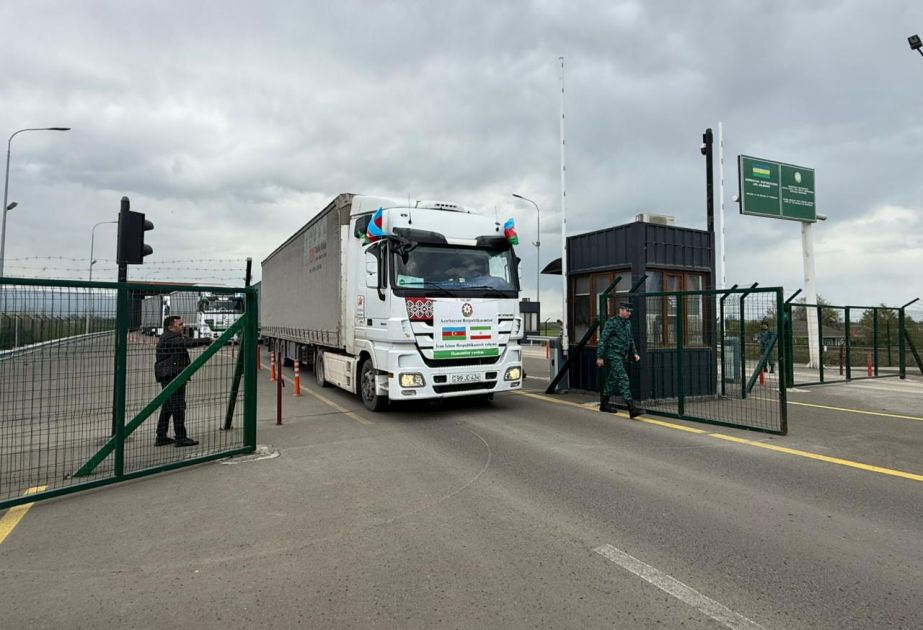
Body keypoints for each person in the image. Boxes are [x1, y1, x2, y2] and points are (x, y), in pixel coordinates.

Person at [154, 315, 213, 447]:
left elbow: (188, 341)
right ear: (170, 327)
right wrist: (207, 340)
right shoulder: (170, 338)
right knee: (178, 406)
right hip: (172, 376)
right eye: (180, 324)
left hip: (170, 374)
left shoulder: (172, 337)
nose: (183, 326)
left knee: (168, 406)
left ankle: (161, 436)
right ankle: (181, 437)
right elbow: (186, 343)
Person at [596, 301, 643, 418]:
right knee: (623, 378)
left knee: (612, 380)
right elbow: (603, 340)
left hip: (623, 356)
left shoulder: (628, 323)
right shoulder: (612, 323)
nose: (629, 313)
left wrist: (635, 353)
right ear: (621, 310)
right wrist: (600, 356)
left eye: (630, 312)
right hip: (614, 355)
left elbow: (630, 339)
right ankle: (632, 408)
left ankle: (604, 404)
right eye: (627, 311)